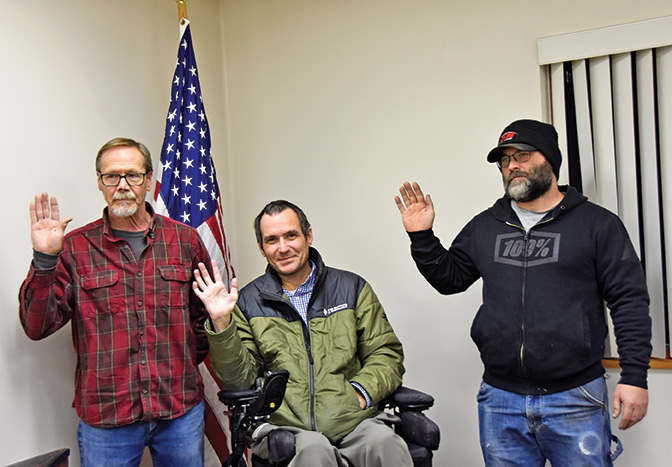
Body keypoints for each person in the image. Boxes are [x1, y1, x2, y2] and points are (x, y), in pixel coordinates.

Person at [395, 119, 652, 466]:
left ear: (550, 160)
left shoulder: (597, 225)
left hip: (575, 397)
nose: (512, 165)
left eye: (523, 155)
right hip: (500, 400)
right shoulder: (486, 225)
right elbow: (450, 279)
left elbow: (629, 301)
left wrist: (634, 376)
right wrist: (422, 237)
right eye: (505, 159)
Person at [19, 138, 211, 467]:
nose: (123, 185)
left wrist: (178, 366)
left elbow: (205, 318)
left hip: (179, 410)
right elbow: (37, 326)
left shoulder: (185, 241)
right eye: (112, 176)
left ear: (149, 180)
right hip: (107, 417)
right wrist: (44, 260)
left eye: (133, 175)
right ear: (99, 182)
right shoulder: (74, 248)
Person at [192, 200, 412, 467]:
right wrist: (221, 323)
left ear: (308, 236)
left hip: (354, 420)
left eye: (291, 235)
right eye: (271, 240)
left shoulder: (352, 288)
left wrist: (359, 393)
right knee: (313, 449)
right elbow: (239, 382)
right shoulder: (247, 303)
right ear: (262, 248)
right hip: (286, 426)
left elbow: (385, 353)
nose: (283, 248)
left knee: (384, 442)